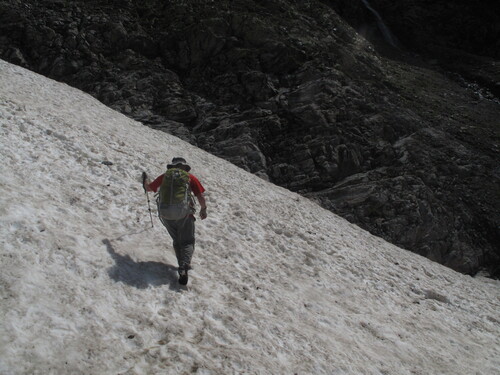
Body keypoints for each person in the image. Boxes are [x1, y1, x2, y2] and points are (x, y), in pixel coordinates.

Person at [144, 157, 207, 285]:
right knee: (187, 241)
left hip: (166, 214)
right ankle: (184, 266)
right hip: (184, 214)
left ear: (172, 167)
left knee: (177, 240)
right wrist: (203, 209)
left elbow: (149, 188)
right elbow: (200, 196)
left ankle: (181, 266)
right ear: (184, 167)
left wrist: (145, 181)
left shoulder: (165, 177)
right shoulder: (190, 177)